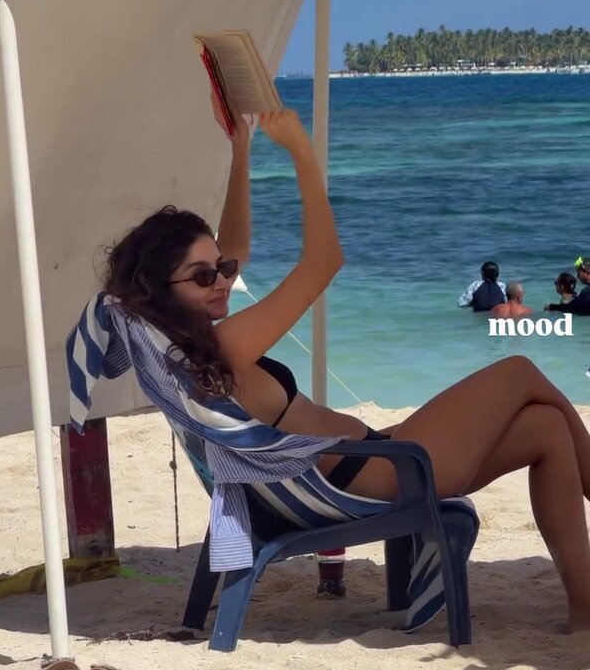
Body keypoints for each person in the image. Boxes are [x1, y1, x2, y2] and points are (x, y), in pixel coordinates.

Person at [100, 105, 590, 634]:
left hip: (372, 460)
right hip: (379, 475)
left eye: (222, 269)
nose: (222, 280)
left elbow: (234, 245)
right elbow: (324, 262)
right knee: (517, 370)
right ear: (161, 290)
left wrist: (241, 152)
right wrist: (301, 154)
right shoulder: (223, 347)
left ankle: (585, 610)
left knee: (546, 427)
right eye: (203, 276)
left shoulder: (186, 347)